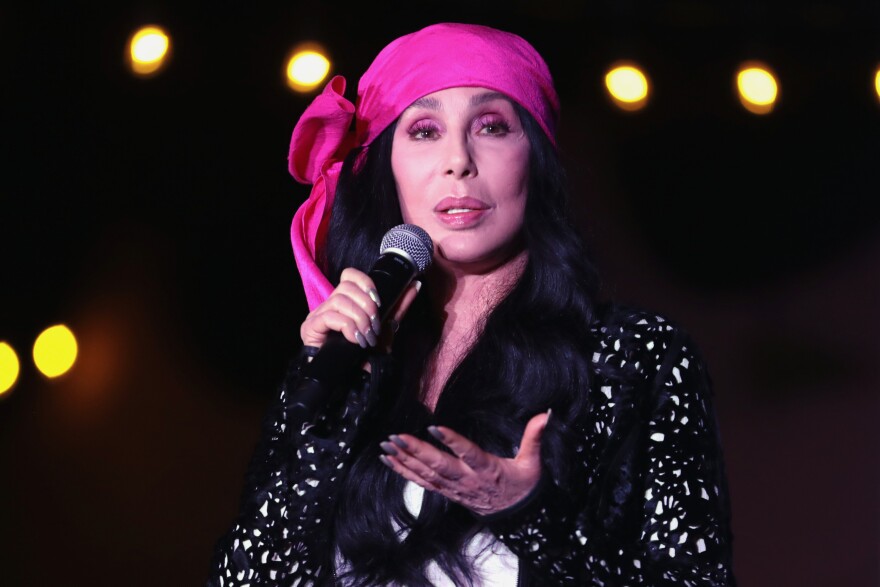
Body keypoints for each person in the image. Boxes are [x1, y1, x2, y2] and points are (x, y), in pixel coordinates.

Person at [206, 22, 736, 586]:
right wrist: (334, 401)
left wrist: (527, 514)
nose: (458, 160)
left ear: (534, 158)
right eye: (425, 131)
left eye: (491, 126)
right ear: (388, 168)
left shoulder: (635, 355)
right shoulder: (347, 360)